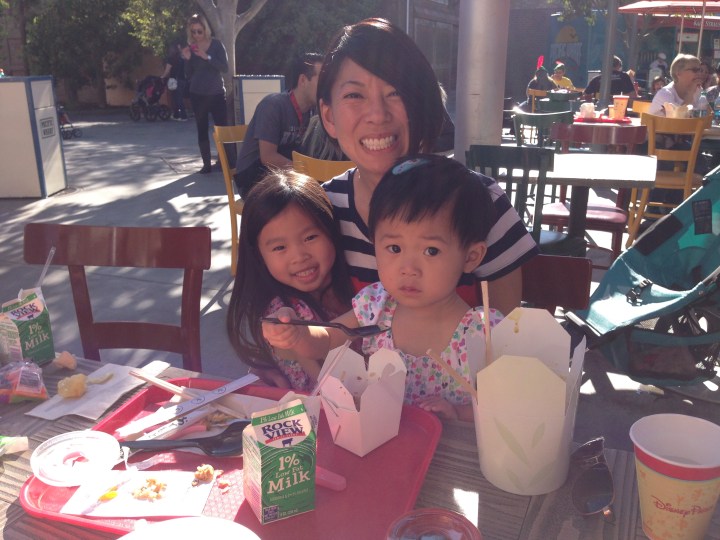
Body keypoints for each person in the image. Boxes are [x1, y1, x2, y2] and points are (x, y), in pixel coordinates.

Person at [317, 18, 537, 316]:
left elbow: (502, 338)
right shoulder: (319, 213)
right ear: (328, 117)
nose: (377, 115)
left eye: (395, 92)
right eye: (354, 95)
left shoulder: (482, 203)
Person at [264, 155, 503, 421]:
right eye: (394, 248)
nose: (408, 267)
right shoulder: (376, 305)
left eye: (431, 250)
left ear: (470, 257)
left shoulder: (485, 332)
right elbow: (326, 342)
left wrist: (458, 412)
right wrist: (297, 334)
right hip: (383, 447)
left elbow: (505, 406)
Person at [226, 170, 354, 390]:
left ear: (331, 231)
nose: (299, 256)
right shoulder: (285, 312)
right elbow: (327, 382)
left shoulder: (355, 282)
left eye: (310, 237)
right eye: (279, 247)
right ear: (259, 256)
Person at [234, 52, 324, 197]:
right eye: (322, 80)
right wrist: (308, 173)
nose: (327, 86)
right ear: (303, 80)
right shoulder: (273, 105)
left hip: (285, 177)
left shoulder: (315, 113)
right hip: (253, 177)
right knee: (305, 203)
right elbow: (268, 157)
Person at [181, 13, 230, 174]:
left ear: (205, 29)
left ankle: (226, 162)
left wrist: (206, 57)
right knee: (201, 129)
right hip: (198, 94)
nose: (196, 35)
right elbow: (188, 74)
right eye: (193, 32)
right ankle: (206, 164)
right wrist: (187, 59)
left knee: (222, 129)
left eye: (199, 31)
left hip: (216, 93)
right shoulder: (191, 47)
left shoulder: (216, 45)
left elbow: (224, 67)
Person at [161, 43, 188, 121]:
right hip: (183, 79)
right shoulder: (182, 58)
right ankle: (176, 115)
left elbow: (167, 71)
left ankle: (183, 116)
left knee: (177, 98)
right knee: (177, 97)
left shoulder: (171, 59)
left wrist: (162, 76)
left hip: (175, 80)